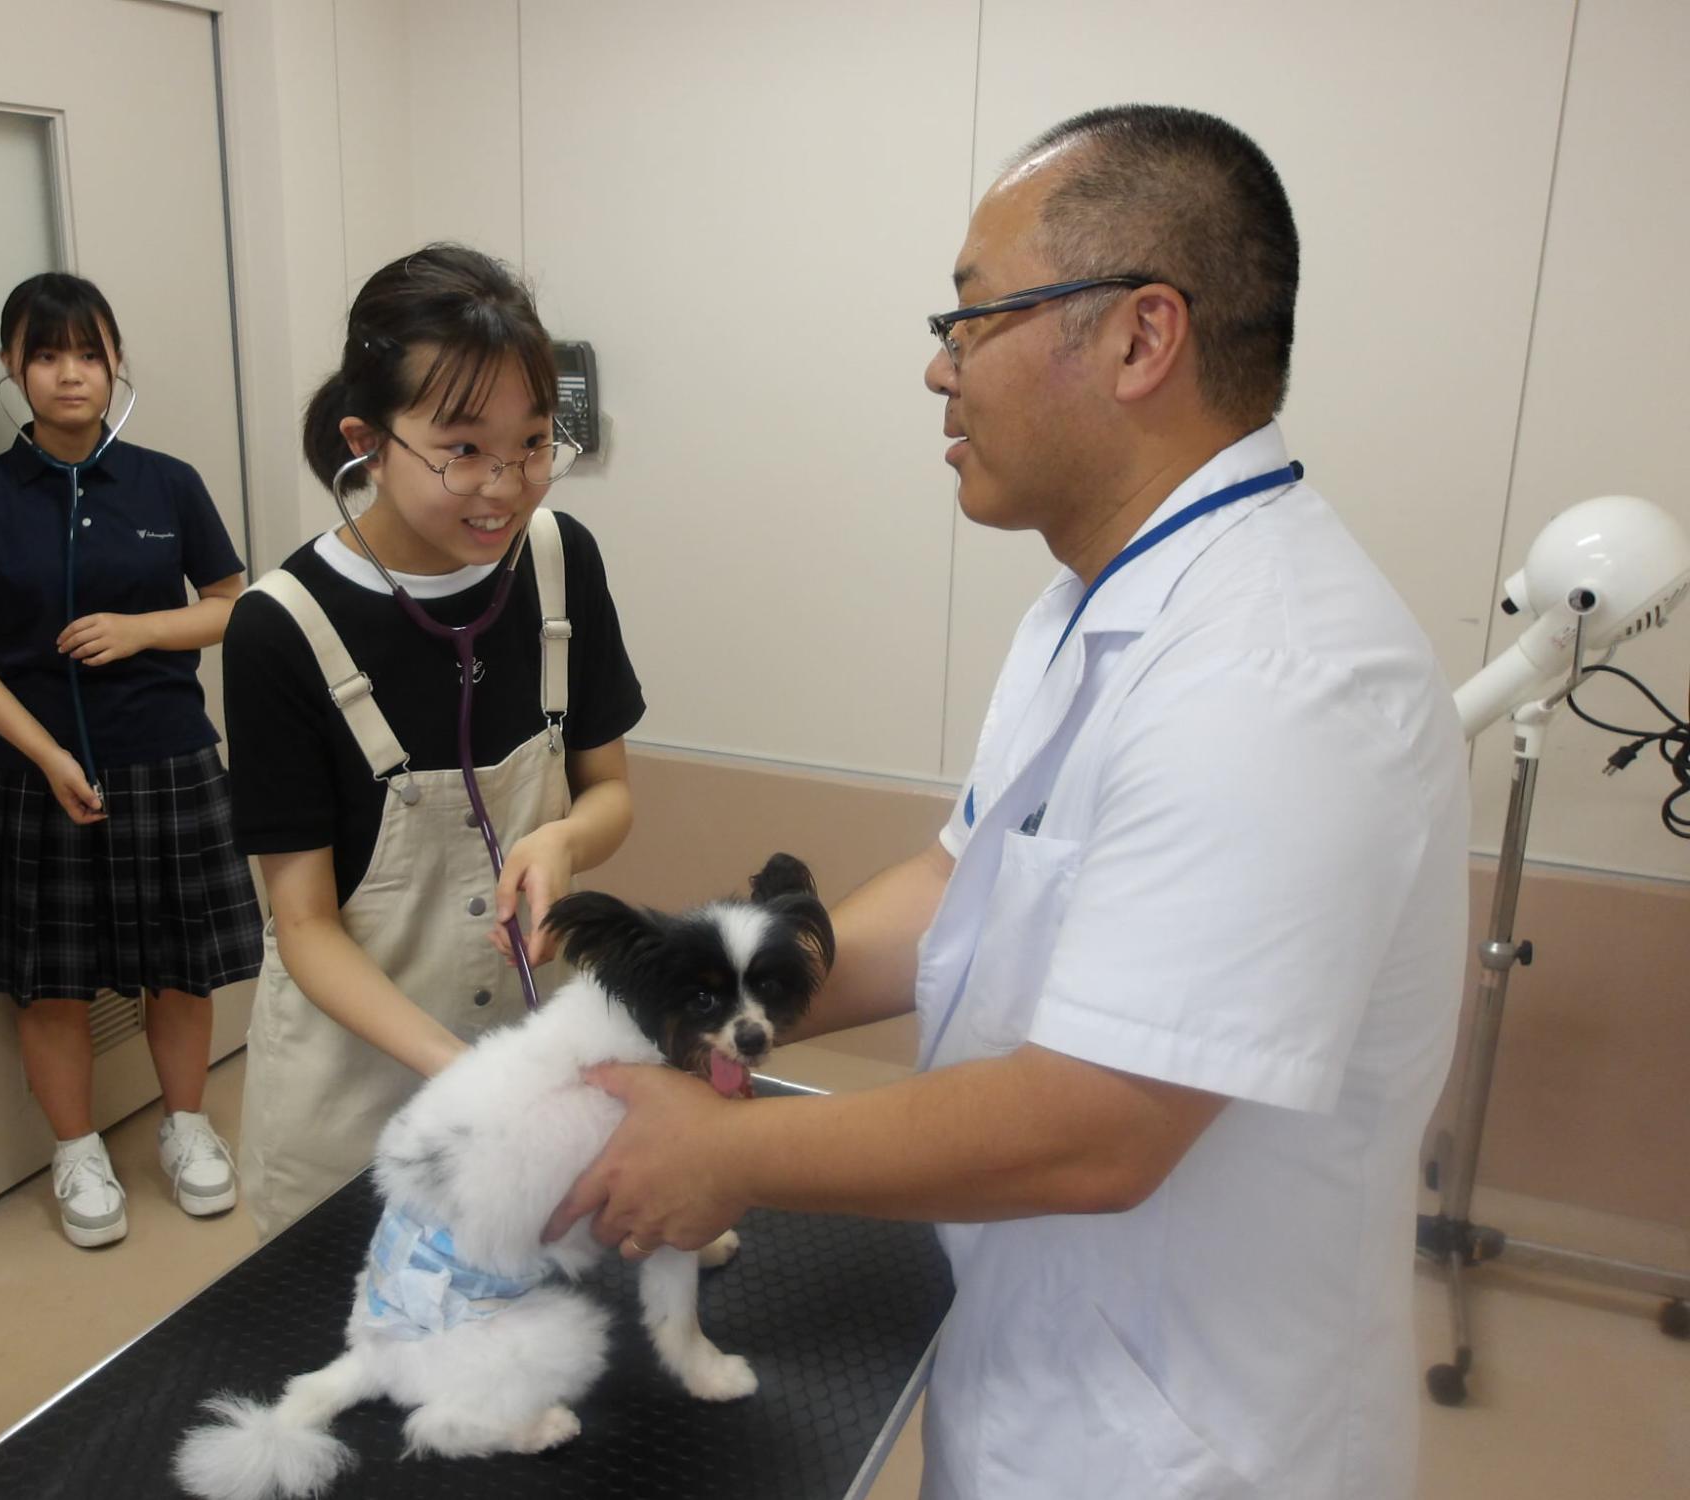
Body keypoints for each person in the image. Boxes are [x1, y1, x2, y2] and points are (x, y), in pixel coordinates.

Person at [548, 105, 1469, 1498]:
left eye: (972, 320)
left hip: (1190, 1443)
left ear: (1139, 338)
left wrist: (731, 1149)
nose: (939, 366)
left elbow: (1100, 1125)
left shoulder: (1279, 682)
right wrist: (716, 990)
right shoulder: (1092, 605)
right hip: (1037, 1358)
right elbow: (968, 878)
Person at [222, 244, 643, 1238]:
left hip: (528, 1066)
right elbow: (306, 927)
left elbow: (609, 793)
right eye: (461, 450)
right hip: (355, 1099)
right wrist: (473, 1080)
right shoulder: (278, 626)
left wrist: (564, 843)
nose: (504, 485)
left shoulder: (557, 562)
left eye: (534, 444)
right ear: (365, 440)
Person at [0, 273, 261, 1249]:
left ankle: (185, 1127)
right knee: (53, 978)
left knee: (182, 966)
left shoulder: (166, 483)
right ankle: (76, 1150)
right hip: (39, 774)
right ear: (11, 368)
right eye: (46, 354)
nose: (70, 374)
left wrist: (144, 628)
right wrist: (46, 753)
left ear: (116, 362)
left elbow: (237, 604)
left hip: (169, 759)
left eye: (88, 353)